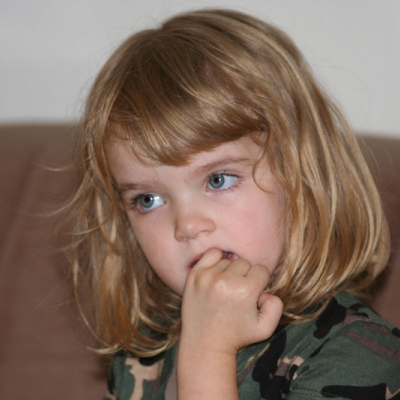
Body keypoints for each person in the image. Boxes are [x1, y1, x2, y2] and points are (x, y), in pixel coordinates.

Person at [62, 8, 400, 399]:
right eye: (148, 199)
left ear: (302, 175)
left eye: (218, 179)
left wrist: (207, 352)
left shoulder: (359, 352)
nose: (187, 225)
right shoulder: (142, 352)